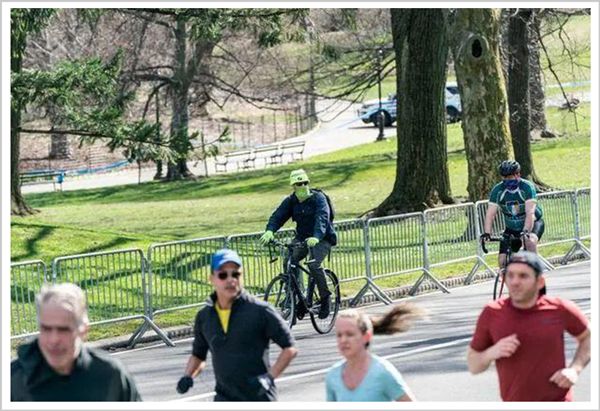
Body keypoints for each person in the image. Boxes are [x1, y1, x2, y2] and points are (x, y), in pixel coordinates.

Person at [176, 248, 298, 401]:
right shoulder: (205, 316)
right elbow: (198, 356)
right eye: (223, 275)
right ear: (212, 279)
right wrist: (187, 376)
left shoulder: (261, 311)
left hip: (258, 397)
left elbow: (290, 348)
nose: (230, 279)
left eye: (235, 274)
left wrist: (269, 378)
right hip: (224, 397)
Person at [467, 251, 590, 401]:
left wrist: (574, 369)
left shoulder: (559, 309)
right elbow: (473, 365)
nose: (515, 282)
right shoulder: (492, 313)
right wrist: (491, 352)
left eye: (523, 276)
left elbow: (588, 337)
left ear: (540, 282)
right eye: (510, 275)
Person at [11, 283, 141, 401]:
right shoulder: (12, 380)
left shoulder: (110, 376)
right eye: (46, 328)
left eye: (63, 330)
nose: (53, 340)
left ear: (83, 330)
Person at [259, 169, 337, 319]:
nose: (302, 186)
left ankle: (325, 298)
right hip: (302, 238)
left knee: (313, 264)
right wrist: (270, 231)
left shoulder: (319, 198)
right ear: (293, 186)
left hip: (322, 238)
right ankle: (293, 296)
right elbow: (278, 216)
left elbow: (322, 218)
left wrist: (317, 236)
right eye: (298, 184)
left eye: (305, 183)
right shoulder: (291, 201)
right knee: (289, 261)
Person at [325, 304, 422, 401]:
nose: (343, 340)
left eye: (350, 334)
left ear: (366, 336)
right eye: (339, 335)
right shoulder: (333, 376)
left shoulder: (382, 372)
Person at [481, 160, 545, 273]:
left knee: (530, 241)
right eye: (504, 177)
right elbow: (490, 214)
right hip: (511, 227)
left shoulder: (527, 187)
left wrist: (525, 231)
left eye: (509, 177)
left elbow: (530, 213)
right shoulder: (498, 190)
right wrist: (487, 233)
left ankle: (536, 273)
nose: (507, 180)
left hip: (532, 223)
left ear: (518, 175)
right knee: (502, 262)